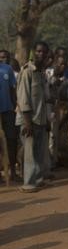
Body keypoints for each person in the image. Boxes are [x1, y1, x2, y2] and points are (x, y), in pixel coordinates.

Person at [16, 41, 50, 192]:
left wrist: (47, 119)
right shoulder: (27, 71)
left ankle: (38, 179)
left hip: (40, 119)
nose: (40, 55)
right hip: (29, 120)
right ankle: (28, 183)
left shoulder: (42, 73)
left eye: (43, 52)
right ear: (33, 52)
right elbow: (24, 99)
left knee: (38, 152)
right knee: (29, 153)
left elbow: (43, 99)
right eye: (38, 51)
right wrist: (27, 122)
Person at [0, 49, 18, 181]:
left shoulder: (7, 69)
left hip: (8, 111)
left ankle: (13, 171)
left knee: (12, 140)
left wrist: (14, 107)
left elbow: (13, 89)